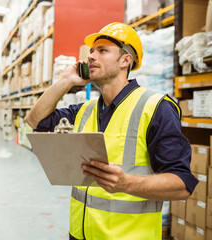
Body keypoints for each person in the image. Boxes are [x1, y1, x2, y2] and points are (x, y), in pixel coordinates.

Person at [25, 22, 198, 240]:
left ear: (126, 60)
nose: (91, 56)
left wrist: (127, 184)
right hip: (80, 234)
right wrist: (67, 80)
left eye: (102, 50)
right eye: (91, 51)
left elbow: (182, 184)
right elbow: (35, 121)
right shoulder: (85, 110)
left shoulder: (156, 108)